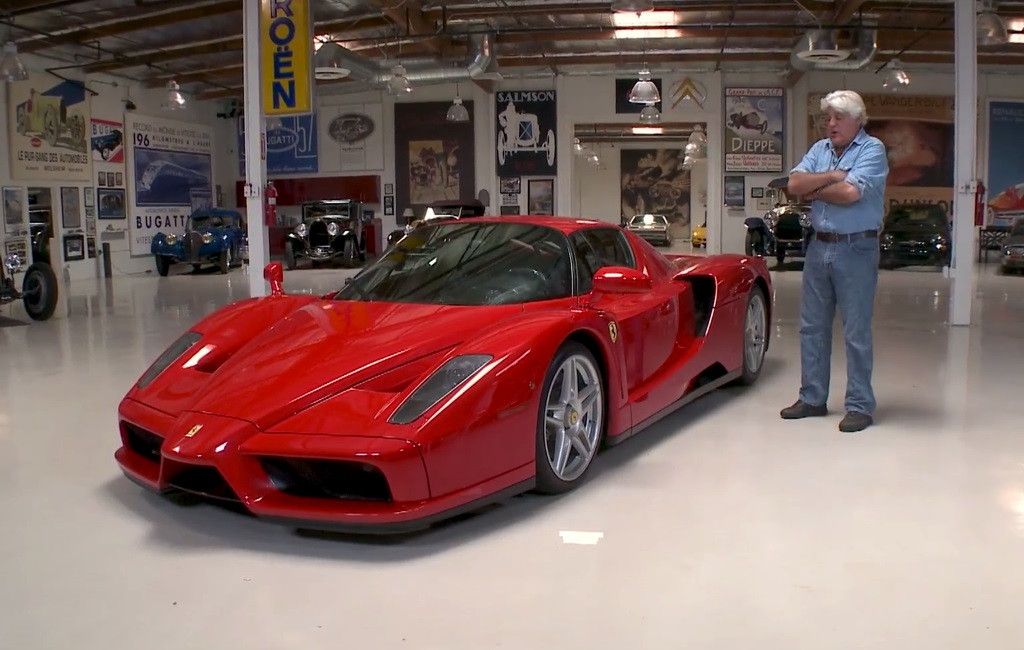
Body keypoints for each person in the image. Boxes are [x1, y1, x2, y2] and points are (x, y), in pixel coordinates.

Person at [780, 90, 889, 433]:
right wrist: (834, 176)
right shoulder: (819, 150)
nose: (831, 124)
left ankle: (859, 405)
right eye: (828, 118)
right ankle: (812, 398)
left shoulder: (873, 150)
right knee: (812, 326)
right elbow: (793, 185)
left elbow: (850, 194)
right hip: (818, 247)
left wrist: (816, 187)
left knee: (855, 330)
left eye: (839, 118)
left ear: (858, 120)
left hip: (856, 249)